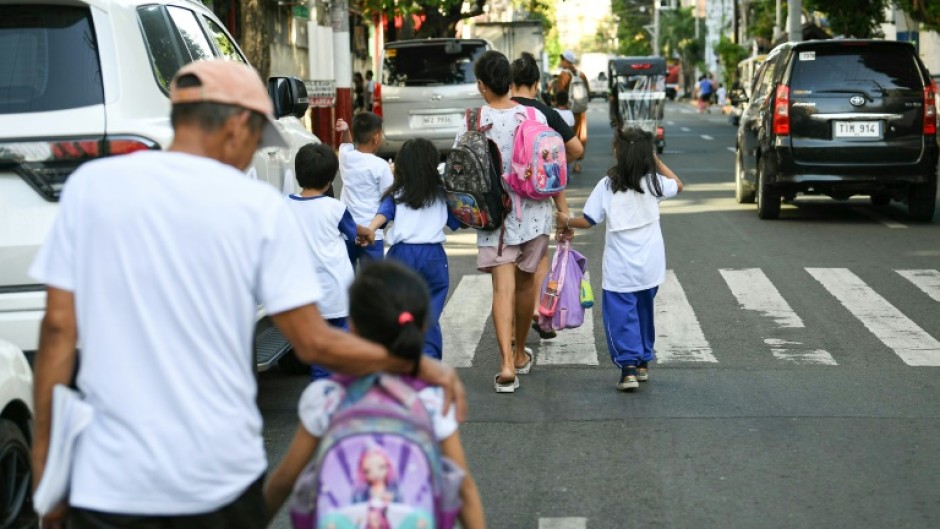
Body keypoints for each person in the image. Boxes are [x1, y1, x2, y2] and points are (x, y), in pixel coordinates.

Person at [28, 60, 464, 529]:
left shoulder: (93, 187)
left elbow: (57, 330)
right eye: (258, 136)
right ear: (237, 125)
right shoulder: (256, 206)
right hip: (216, 480)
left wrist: (45, 468)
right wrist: (415, 366)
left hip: (108, 484)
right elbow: (314, 341)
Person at [263, 261, 486, 528]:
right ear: (422, 325)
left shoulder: (326, 397)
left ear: (352, 326)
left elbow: (285, 480)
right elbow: (464, 489)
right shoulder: (431, 399)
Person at [456, 50, 569, 393]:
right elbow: (552, 164)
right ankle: (520, 353)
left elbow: (460, 169)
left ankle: (506, 364)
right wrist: (562, 211)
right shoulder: (533, 114)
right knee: (524, 287)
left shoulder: (473, 119)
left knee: (501, 289)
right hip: (535, 213)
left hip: (495, 218)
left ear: (481, 85)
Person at [555, 128, 684, 392]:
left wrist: (565, 220)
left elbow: (588, 221)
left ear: (618, 152)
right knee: (643, 311)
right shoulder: (654, 183)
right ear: (647, 154)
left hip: (620, 269)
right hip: (650, 266)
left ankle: (628, 369)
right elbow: (678, 185)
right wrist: (656, 160)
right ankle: (644, 361)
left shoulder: (608, 185)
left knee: (620, 316)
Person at [361, 138, 462, 361]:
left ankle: (401, 356)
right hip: (433, 257)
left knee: (398, 310)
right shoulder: (443, 194)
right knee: (429, 313)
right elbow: (460, 222)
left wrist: (369, 230)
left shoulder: (396, 194)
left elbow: (383, 215)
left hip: (401, 257)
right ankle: (428, 359)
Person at [509, 52, 579, 342]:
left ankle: (512, 332)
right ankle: (537, 310)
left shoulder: (500, 111)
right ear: (537, 84)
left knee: (508, 267)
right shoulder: (546, 114)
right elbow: (576, 149)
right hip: (537, 202)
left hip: (505, 201)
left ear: (510, 82)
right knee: (537, 260)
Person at [287, 143, 369, 379]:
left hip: (305, 296)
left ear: (298, 173)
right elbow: (354, 235)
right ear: (330, 179)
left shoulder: (284, 205)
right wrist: (367, 236)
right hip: (337, 294)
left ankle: (321, 401)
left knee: (320, 355)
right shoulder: (335, 207)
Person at [337, 113, 394, 268]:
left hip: (348, 231)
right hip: (372, 232)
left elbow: (345, 145)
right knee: (374, 281)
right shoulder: (381, 166)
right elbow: (389, 196)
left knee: (348, 276)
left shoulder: (345, 158)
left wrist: (345, 131)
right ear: (376, 137)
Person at [556, 50, 590, 173]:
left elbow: (560, 93)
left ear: (566, 60)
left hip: (567, 110)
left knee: (565, 136)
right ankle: (577, 164)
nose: (561, 62)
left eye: (562, 60)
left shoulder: (564, 75)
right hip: (580, 110)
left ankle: (564, 163)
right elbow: (588, 92)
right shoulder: (581, 74)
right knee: (580, 135)